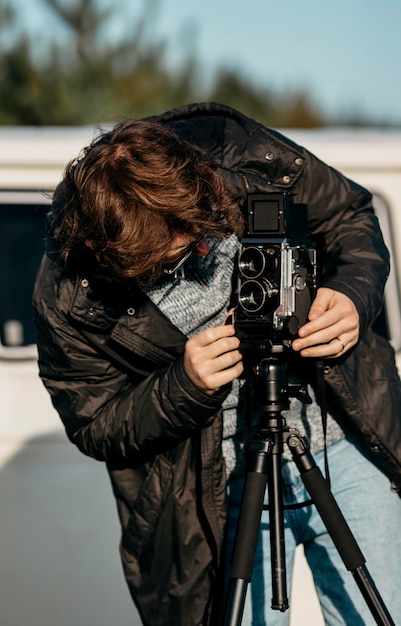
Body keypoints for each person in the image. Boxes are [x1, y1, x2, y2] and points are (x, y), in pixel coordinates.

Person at [33, 102, 401, 626]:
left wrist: (350, 296)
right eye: (183, 257)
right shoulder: (68, 295)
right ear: (126, 262)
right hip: (217, 485)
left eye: (210, 225)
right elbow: (96, 424)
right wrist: (184, 385)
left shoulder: (232, 148)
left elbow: (348, 215)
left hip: (343, 438)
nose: (208, 247)